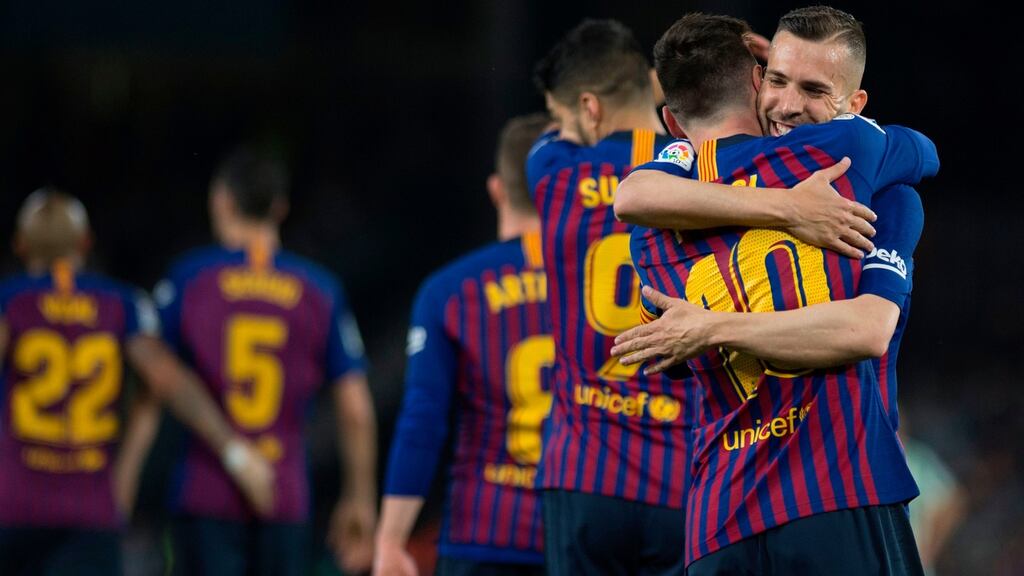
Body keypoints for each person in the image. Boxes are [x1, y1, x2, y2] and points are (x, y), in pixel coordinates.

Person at [609, 11, 938, 574]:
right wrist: (789, 207)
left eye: (811, 89)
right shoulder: (855, 161)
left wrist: (709, 327)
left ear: (670, 120)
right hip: (838, 487)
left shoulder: (656, 220)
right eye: (780, 81)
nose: (787, 105)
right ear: (758, 81)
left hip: (717, 518)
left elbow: (634, 200)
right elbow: (926, 153)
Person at [0, 189, 273, 575]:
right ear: (85, 244)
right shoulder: (121, 304)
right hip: (90, 511)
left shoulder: (10, 302)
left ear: (21, 246)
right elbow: (166, 378)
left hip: (13, 506)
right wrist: (236, 453)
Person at [154, 148, 377, 575]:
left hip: (206, 493)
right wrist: (359, 499)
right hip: (285, 495)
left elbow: (156, 374)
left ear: (221, 201)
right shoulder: (319, 289)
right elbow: (355, 410)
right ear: (280, 209)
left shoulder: (191, 279)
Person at [374, 113, 552, 576]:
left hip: (483, 533)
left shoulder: (449, 291)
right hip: (580, 530)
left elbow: (422, 422)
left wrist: (391, 539)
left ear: (496, 190)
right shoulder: (607, 289)